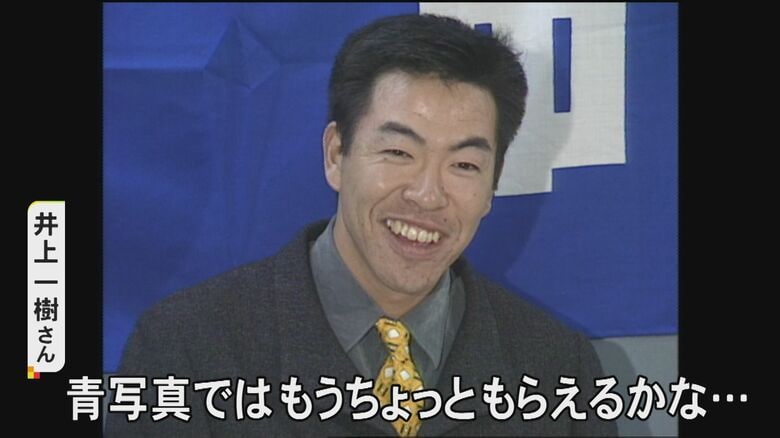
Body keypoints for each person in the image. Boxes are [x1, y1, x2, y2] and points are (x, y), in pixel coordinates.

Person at [107, 13, 616, 437]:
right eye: (398, 152)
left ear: (491, 188)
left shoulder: (558, 370)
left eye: (464, 165)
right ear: (336, 154)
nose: (427, 194)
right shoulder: (184, 351)